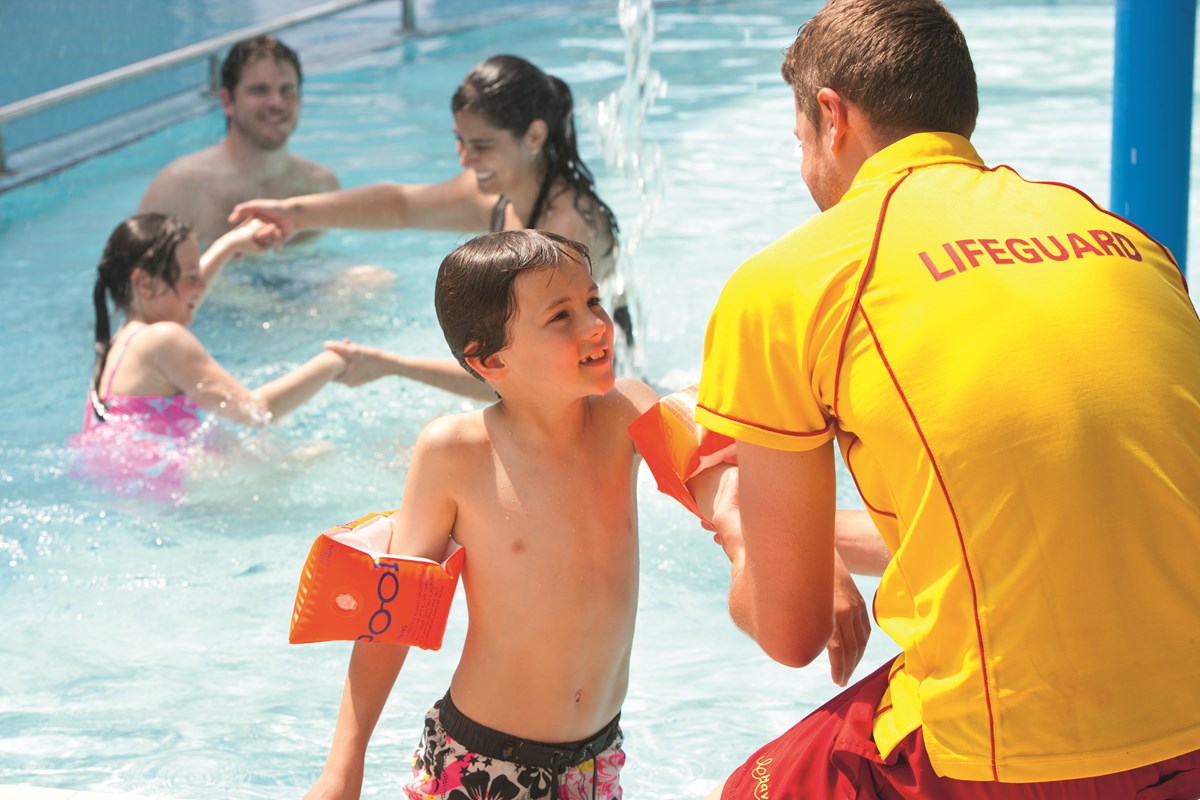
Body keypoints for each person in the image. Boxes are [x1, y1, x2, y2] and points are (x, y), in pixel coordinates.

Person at [695, 1, 1200, 798]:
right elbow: (1024, 505)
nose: (805, 171)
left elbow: (789, 632)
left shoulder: (794, 279)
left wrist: (731, 517)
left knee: (757, 788)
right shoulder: (1127, 241)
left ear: (832, 116)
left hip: (1021, 753)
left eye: (799, 142)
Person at [228, 54, 634, 348]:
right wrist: (294, 214)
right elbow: (400, 204)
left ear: (534, 137)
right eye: (460, 141)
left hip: (596, 392)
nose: (465, 159)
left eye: (480, 145)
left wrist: (392, 365)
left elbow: (531, 363)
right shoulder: (499, 194)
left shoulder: (567, 228)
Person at [73, 213, 353, 501]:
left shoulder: (124, 339)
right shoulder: (165, 338)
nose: (202, 285)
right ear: (144, 284)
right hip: (178, 487)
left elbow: (180, 297)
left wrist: (229, 245)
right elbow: (255, 412)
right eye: (191, 276)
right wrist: (333, 363)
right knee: (322, 453)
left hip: (132, 483)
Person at [136, 35, 338, 246]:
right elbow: (140, 275)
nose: (276, 103)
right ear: (227, 102)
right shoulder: (178, 188)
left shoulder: (321, 186)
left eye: (287, 90)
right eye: (260, 91)